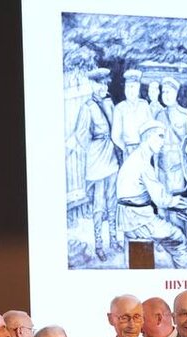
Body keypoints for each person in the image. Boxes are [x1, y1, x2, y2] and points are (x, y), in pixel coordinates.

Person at [116, 120, 187, 268]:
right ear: (148, 137)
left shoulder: (135, 157)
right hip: (139, 220)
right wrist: (178, 201)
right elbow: (161, 200)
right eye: (160, 136)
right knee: (179, 239)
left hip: (130, 218)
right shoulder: (143, 164)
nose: (163, 142)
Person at [69, 67, 120, 261]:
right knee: (99, 204)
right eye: (99, 84)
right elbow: (81, 135)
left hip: (111, 157)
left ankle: (114, 240)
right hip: (97, 159)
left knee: (112, 200)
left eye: (105, 84)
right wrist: (93, 147)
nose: (103, 87)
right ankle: (99, 245)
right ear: (92, 84)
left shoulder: (109, 103)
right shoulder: (87, 107)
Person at [154, 76, 187, 196]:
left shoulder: (186, 116)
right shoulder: (159, 116)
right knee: (162, 200)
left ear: (176, 93)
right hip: (162, 167)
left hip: (178, 168)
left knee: (177, 200)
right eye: (163, 92)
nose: (165, 95)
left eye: (169, 92)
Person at [111, 68, 152, 158]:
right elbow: (115, 136)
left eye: (132, 87)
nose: (129, 90)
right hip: (128, 150)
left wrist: (146, 146)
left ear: (138, 88)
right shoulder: (119, 108)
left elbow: (151, 128)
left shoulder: (144, 105)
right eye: (127, 87)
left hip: (144, 149)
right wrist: (125, 149)